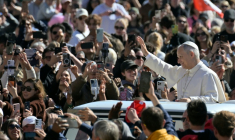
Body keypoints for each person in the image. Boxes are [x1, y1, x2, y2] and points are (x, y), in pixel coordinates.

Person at [137, 36, 226, 102]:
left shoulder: (207, 74)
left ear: (191, 54)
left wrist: (191, 100)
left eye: (180, 57)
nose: (178, 61)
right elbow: (163, 67)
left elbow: (213, 99)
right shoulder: (181, 70)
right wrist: (147, 54)